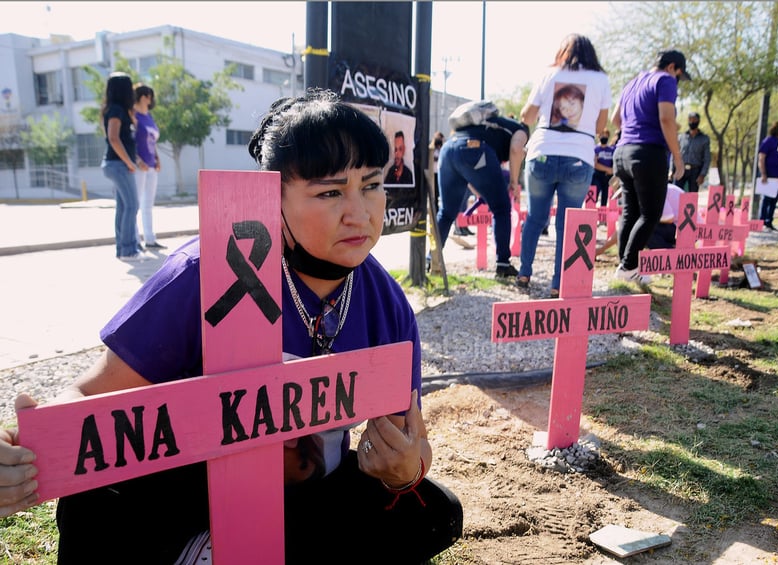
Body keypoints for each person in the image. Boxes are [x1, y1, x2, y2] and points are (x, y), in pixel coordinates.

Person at [0, 89, 463, 564]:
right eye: (330, 191)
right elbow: (90, 396)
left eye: (371, 185)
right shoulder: (204, 271)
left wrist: (404, 470)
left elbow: (411, 439)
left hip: (307, 497)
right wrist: (22, 446)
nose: (360, 212)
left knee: (433, 511)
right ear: (272, 195)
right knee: (95, 506)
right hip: (184, 490)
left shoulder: (385, 302)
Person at [516, 34, 612, 298]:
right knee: (567, 224)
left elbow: (527, 115)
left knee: (535, 217)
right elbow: (601, 125)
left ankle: (524, 272)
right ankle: (559, 283)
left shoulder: (548, 74)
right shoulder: (601, 80)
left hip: (543, 152)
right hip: (579, 157)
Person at [611, 49, 690, 283]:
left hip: (623, 152)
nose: (677, 80)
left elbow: (616, 119)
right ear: (673, 67)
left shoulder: (632, 82)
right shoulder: (665, 80)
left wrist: (633, 130)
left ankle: (627, 267)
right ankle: (628, 268)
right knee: (651, 214)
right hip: (648, 153)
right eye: (679, 75)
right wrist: (677, 157)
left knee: (630, 212)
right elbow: (666, 118)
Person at [435, 109, 528, 277]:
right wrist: (514, 182)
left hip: (448, 149)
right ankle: (503, 264)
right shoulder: (520, 130)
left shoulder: (490, 128)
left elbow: (468, 173)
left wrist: (480, 192)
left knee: (446, 212)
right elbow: (516, 149)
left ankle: (432, 260)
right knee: (501, 209)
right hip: (474, 148)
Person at [100, 72, 143, 261]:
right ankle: (128, 250)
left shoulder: (116, 109)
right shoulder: (116, 110)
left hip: (116, 164)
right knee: (132, 205)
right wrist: (129, 162)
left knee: (124, 206)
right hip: (117, 164)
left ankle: (123, 249)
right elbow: (113, 138)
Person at [133, 83, 165, 249]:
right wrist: (138, 160)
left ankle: (150, 239)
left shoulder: (149, 117)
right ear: (142, 96)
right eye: (148, 96)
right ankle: (135, 240)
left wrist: (157, 158)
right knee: (136, 203)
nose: (150, 99)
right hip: (139, 165)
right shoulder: (133, 115)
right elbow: (130, 141)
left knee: (148, 204)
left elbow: (152, 141)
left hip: (152, 164)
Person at [756, 120, 778, 231]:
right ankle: (762, 221)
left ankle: (769, 221)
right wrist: (763, 174)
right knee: (767, 199)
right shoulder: (769, 141)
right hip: (769, 175)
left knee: (774, 200)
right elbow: (761, 157)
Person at [672, 111, 711, 193]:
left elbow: (707, 158)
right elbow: (674, 153)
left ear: (698, 121)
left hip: (695, 171)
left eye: (694, 119)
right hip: (680, 169)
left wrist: (702, 174)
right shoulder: (681, 137)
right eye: (690, 119)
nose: (692, 121)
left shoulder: (704, 139)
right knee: (676, 193)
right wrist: (672, 170)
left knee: (692, 197)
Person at [591, 128, 615, 207]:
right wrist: (607, 169)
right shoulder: (596, 149)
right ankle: (591, 214)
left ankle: (602, 218)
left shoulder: (611, 149)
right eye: (602, 135)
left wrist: (611, 170)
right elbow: (595, 164)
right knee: (593, 196)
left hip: (607, 177)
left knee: (605, 197)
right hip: (597, 175)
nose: (604, 137)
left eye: (606, 135)